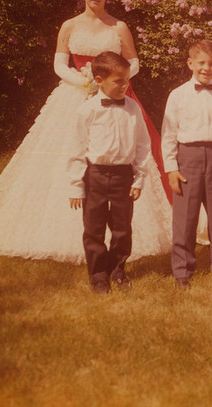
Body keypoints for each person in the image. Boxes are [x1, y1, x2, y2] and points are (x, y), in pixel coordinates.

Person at [0, 0, 171, 263]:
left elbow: (134, 62)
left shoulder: (119, 27)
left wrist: (110, 82)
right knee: (66, 154)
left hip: (109, 96)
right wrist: (83, 80)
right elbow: (59, 64)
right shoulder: (70, 25)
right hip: (74, 94)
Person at [67, 52, 150, 294]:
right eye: (118, 81)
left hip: (124, 175)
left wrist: (140, 177)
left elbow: (143, 145)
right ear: (99, 79)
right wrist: (76, 185)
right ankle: (98, 276)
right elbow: (77, 147)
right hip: (96, 175)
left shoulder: (133, 108)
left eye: (126, 80)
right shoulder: (87, 110)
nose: (124, 85)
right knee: (94, 228)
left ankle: (117, 270)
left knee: (123, 228)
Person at [161, 40, 212, 287]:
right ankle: (182, 271)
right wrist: (171, 168)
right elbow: (168, 134)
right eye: (201, 63)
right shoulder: (177, 95)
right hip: (188, 158)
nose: (206, 68)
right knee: (185, 218)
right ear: (190, 64)